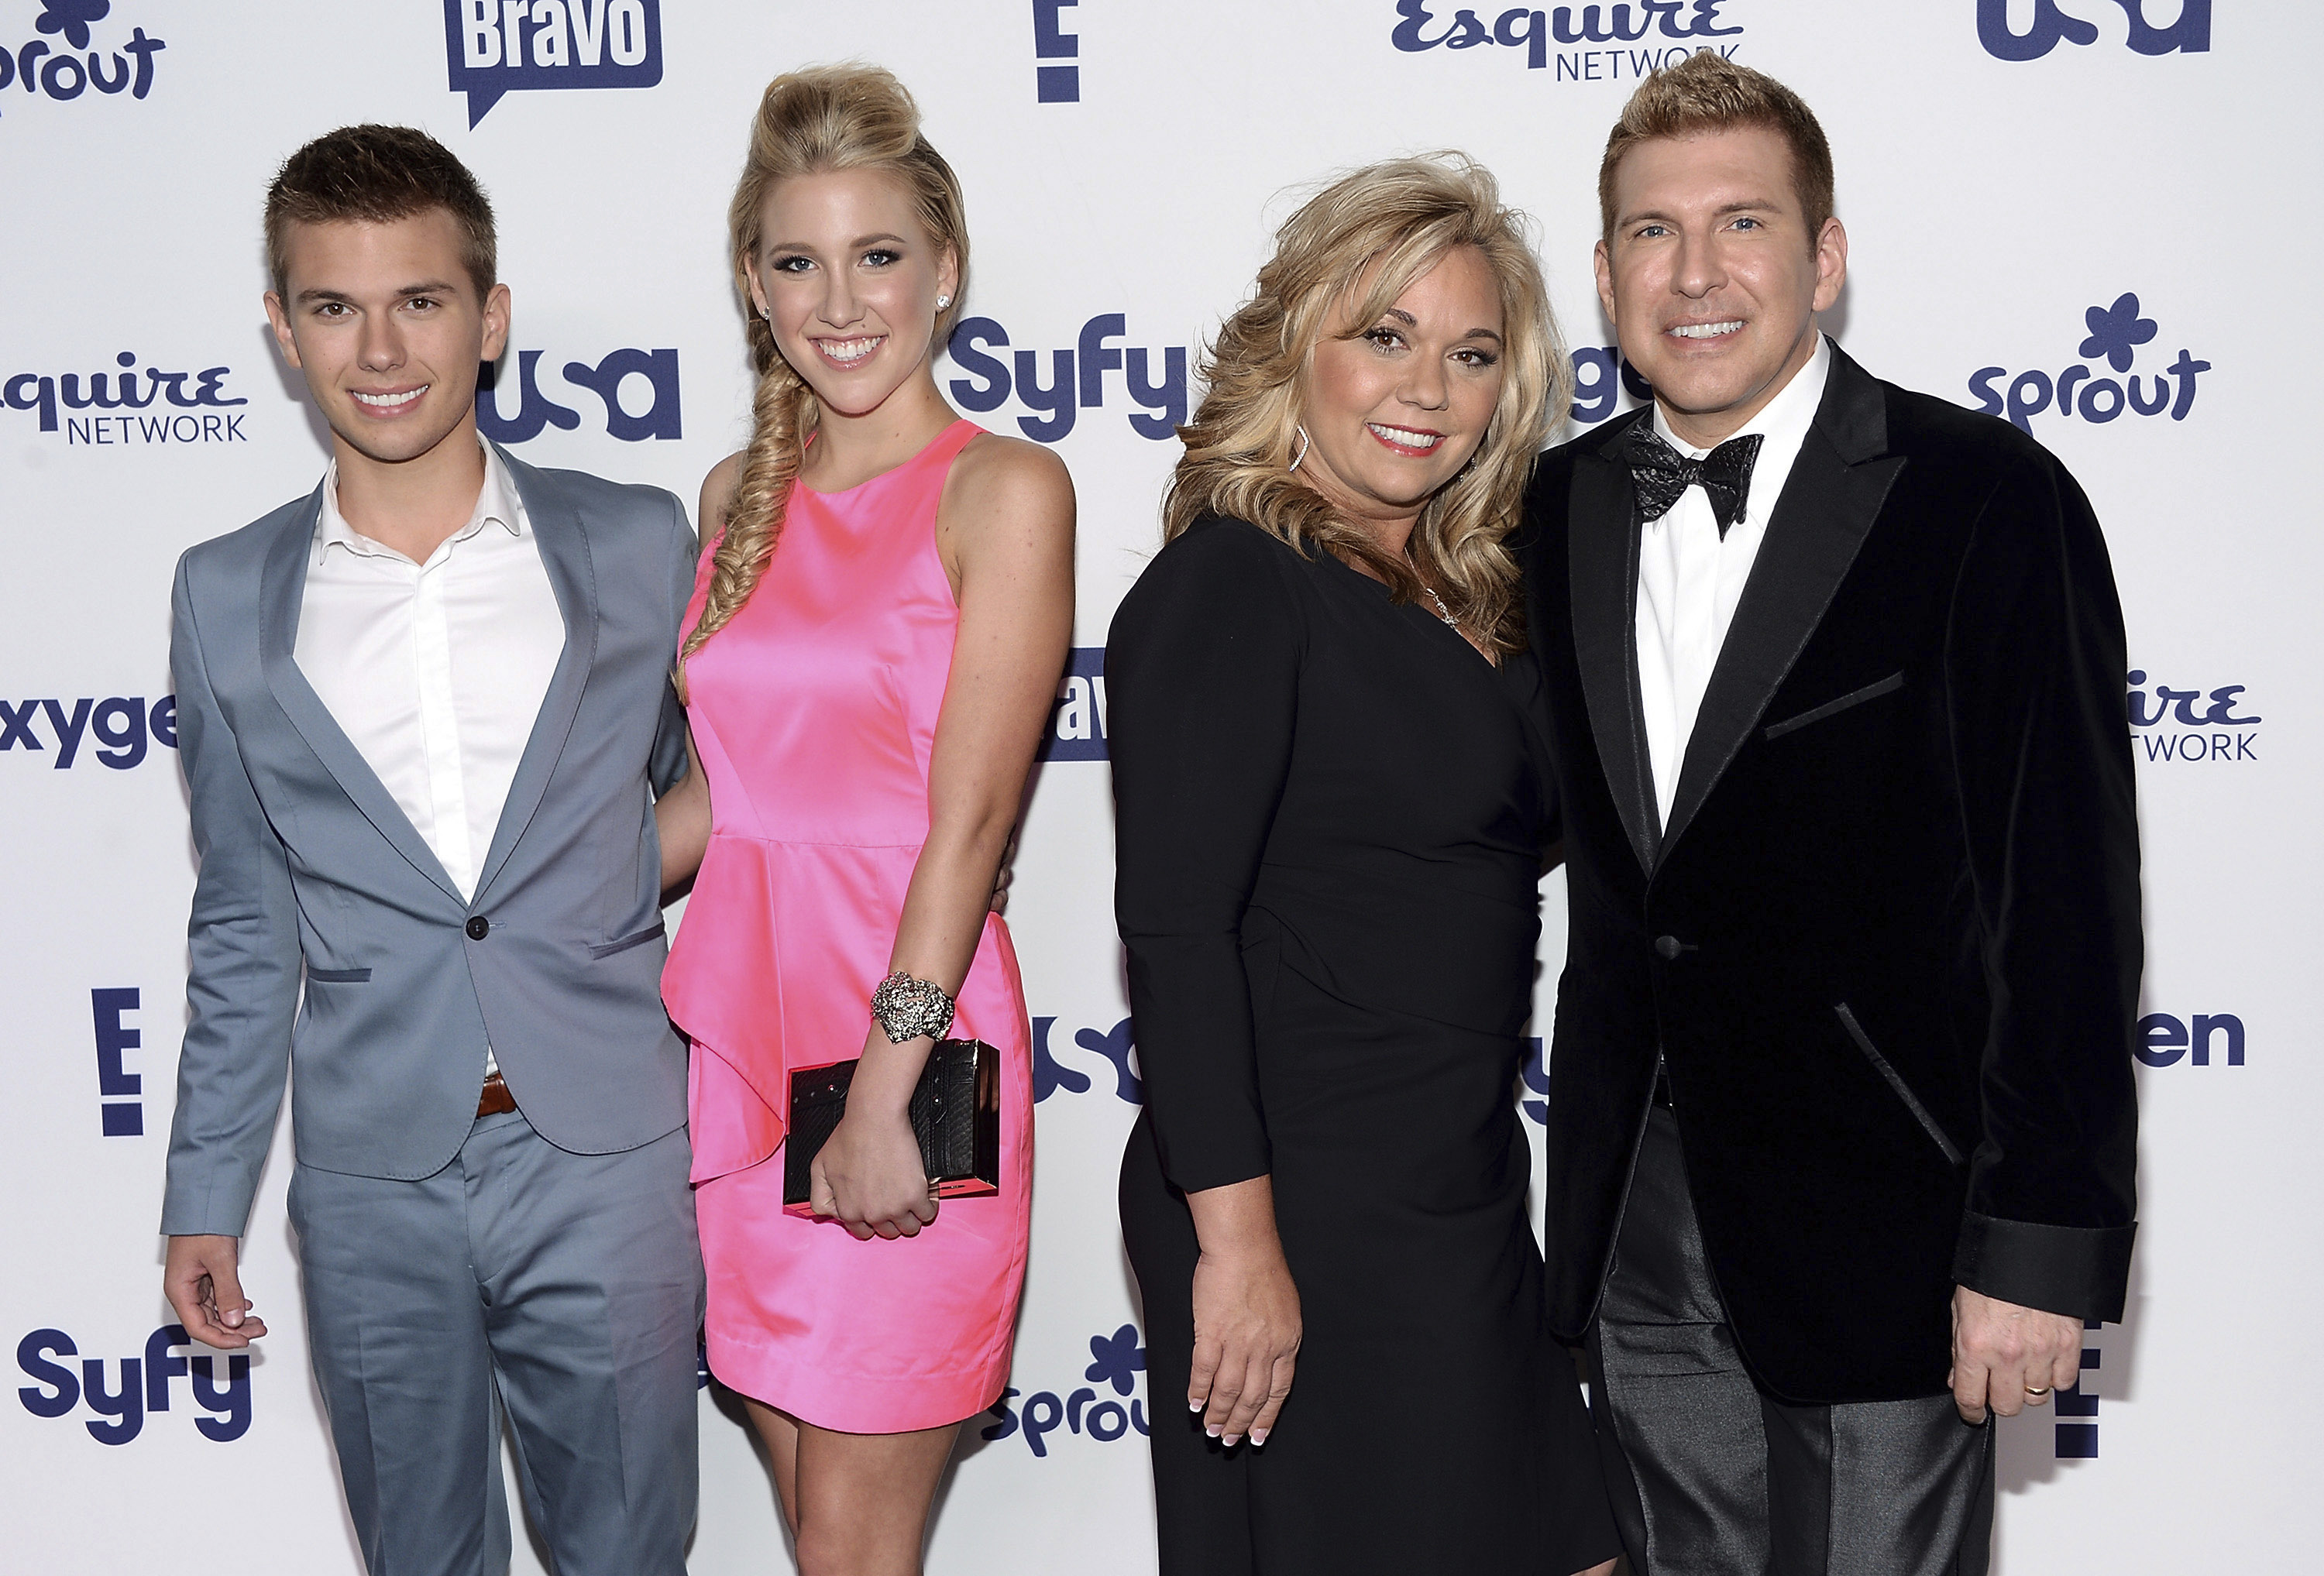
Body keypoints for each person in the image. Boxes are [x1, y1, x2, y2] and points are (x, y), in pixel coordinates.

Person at [1518, 53, 2141, 1575]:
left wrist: (2038, 1245)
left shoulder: (1983, 496)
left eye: (1744, 223)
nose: (1698, 272)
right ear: (1604, 274)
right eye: (1654, 234)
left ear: (1827, 256)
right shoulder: (1559, 507)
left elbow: (2059, 902)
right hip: (1638, 1212)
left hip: (1896, 1216)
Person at [160, 127, 703, 1574]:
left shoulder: (639, 545)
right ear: (283, 330)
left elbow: (727, 786)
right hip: (367, 1175)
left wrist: (599, 883)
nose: (381, 345)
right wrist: (205, 1192)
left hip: (604, 1149)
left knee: (634, 1557)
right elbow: (243, 915)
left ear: (492, 316)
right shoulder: (224, 598)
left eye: (422, 299)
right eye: (334, 306)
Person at [1108, 155, 1622, 1576]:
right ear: (1298, 351)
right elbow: (1177, 932)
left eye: (1470, 354)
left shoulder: (1483, 597)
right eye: (1383, 336)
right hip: (1298, 1207)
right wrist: (1240, 1249)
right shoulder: (1233, 582)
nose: (1427, 389)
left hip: (1454, 1190)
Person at [652, 65, 1073, 1576]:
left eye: (877, 254)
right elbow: (725, 795)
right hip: (740, 1050)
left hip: (909, 1046)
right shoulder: (734, 496)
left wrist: (888, 1094)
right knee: (813, 1525)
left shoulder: (1003, 491)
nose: (841, 300)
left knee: (852, 1548)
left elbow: (967, 828)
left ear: (945, 269)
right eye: (796, 260)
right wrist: (489, 907)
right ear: (754, 287)